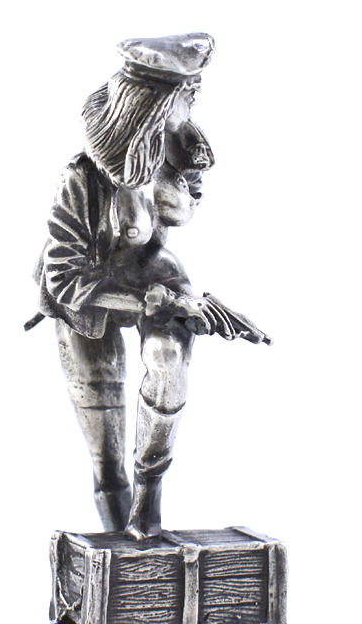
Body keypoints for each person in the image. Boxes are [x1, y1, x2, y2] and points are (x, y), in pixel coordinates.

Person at [29, 34, 264, 540]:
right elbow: (64, 276)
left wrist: (179, 300)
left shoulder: (181, 152)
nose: (194, 97)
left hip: (158, 274)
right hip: (87, 296)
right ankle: (119, 539)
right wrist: (148, 301)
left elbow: (179, 212)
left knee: (169, 361)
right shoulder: (81, 178)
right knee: (104, 444)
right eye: (187, 90)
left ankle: (147, 512)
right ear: (154, 103)